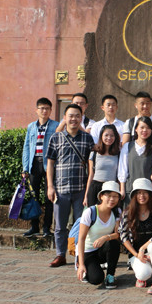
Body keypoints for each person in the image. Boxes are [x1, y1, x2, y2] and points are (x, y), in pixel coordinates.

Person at [47, 103, 94, 268]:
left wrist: (88, 191)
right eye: (70, 115)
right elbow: (50, 164)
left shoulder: (87, 139)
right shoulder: (56, 137)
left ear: (81, 118)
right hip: (61, 190)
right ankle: (60, 255)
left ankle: (78, 254)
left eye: (77, 116)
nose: (73, 119)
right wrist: (50, 187)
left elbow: (91, 166)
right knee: (60, 225)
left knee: (81, 224)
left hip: (80, 189)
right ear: (65, 118)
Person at [119, 178, 152, 294]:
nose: (142, 196)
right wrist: (137, 254)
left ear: (150, 195)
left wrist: (143, 248)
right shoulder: (127, 213)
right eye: (139, 193)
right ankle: (142, 274)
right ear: (134, 195)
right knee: (144, 274)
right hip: (137, 254)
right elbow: (123, 236)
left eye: (145, 192)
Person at [21, 97, 58, 237]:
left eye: (47, 108)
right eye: (41, 108)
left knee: (49, 196)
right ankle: (34, 226)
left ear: (51, 110)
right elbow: (26, 148)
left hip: (49, 164)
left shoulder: (55, 125)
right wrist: (25, 168)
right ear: (36, 110)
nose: (44, 111)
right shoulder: (31, 126)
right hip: (34, 164)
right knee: (33, 196)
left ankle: (47, 228)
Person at [76, 181, 121, 288]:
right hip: (88, 252)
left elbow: (118, 234)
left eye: (115, 196)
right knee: (96, 279)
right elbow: (81, 239)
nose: (112, 199)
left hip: (102, 249)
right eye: (108, 196)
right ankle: (88, 268)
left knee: (113, 243)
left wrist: (106, 237)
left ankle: (110, 275)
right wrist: (81, 264)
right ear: (101, 196)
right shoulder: (90, 212)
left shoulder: (117, 212)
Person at [118, 116, 152, 202]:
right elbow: (122, 169)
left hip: (147, 192)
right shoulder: (127, 146)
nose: (145, 130)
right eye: (142, 127)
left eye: (148, 128)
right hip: (130, 190)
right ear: (136, 129)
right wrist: (122, 189)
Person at [84, 125, 122, 208]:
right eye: (106, 135)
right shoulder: (94, 153)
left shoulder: (118, 154)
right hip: (95, 187)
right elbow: (91, 175)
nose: (109, 138)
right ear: (101, 136)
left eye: (112, 135)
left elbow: (119, 176)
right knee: (94, 216)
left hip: (110, 188)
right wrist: (86, 195)